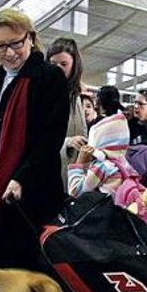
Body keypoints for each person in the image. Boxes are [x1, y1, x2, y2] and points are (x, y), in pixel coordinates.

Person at [0, 8, 68, 271]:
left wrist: (21, 177)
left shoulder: (49, 77)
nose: (10, 52)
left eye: (16, 43)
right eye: (1, 46)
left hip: (30, 189)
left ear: (30, 38)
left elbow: (50, 138)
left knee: (22, 268)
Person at [46, 38, 88, 183]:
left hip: (73, 174)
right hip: (50, 175)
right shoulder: (42, 95)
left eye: (63, 64)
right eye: (53, 64)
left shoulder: (74, 96)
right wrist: (68, 142)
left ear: (74, 66)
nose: (57, 68)